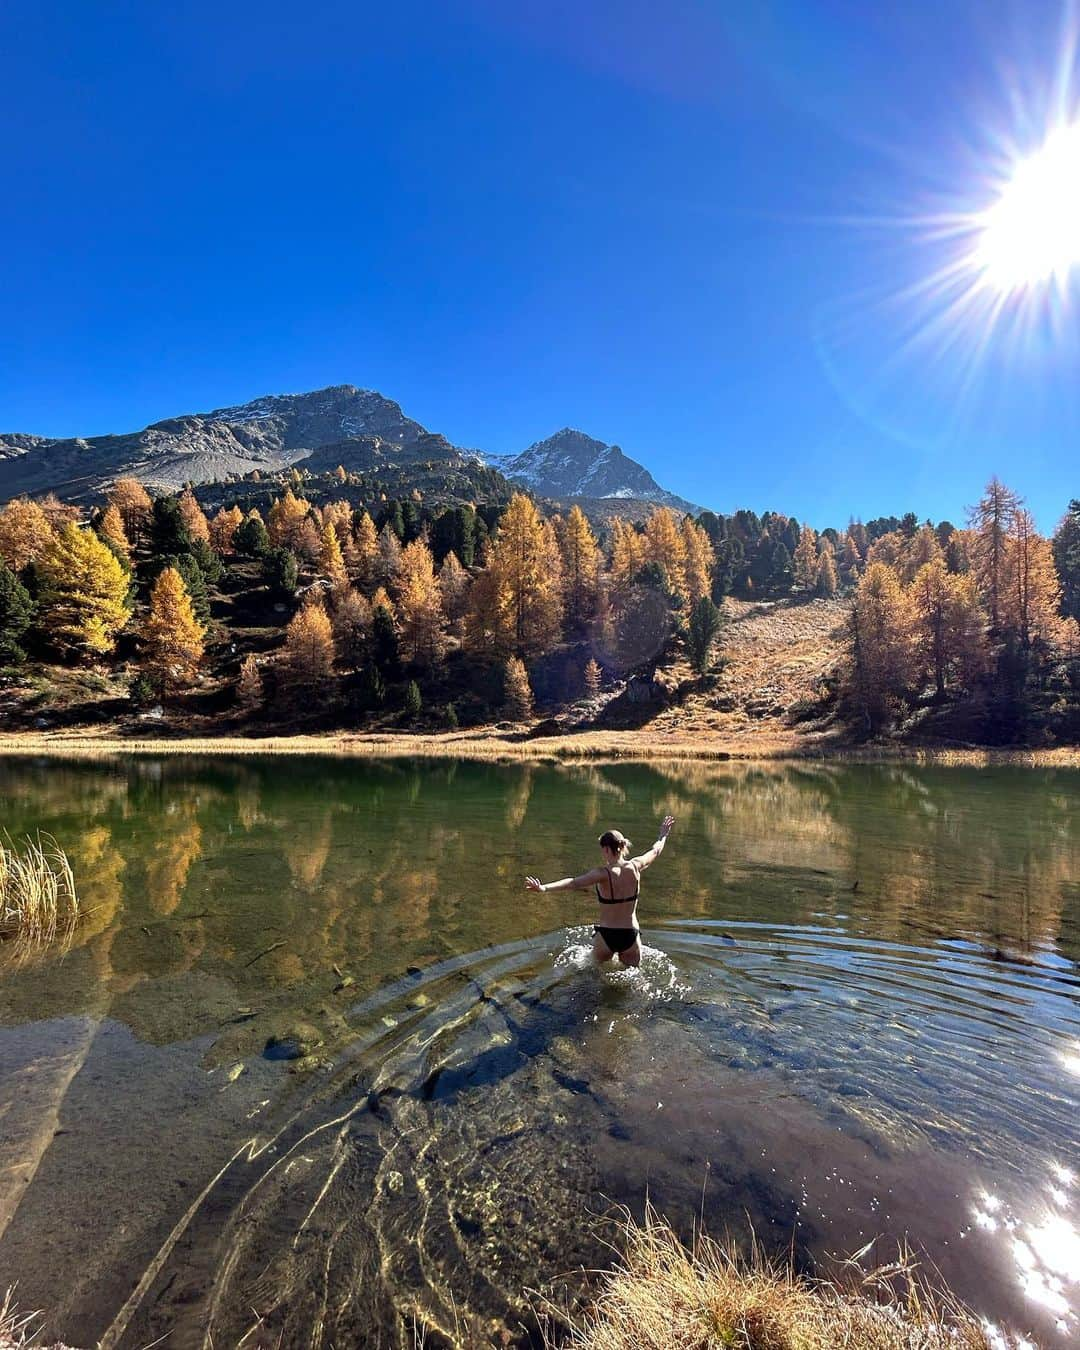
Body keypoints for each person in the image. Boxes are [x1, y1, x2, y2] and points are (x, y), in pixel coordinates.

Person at [525, 815, 676, 968]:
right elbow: (655, 850)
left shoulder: (602, 874)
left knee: (594, 976)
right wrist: (663, 834)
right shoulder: (636, 866)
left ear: (606, 849)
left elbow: (573, 883)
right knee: (635, 978)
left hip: (606, 935)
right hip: (630, 934)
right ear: (622, 847)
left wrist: (544, 888)